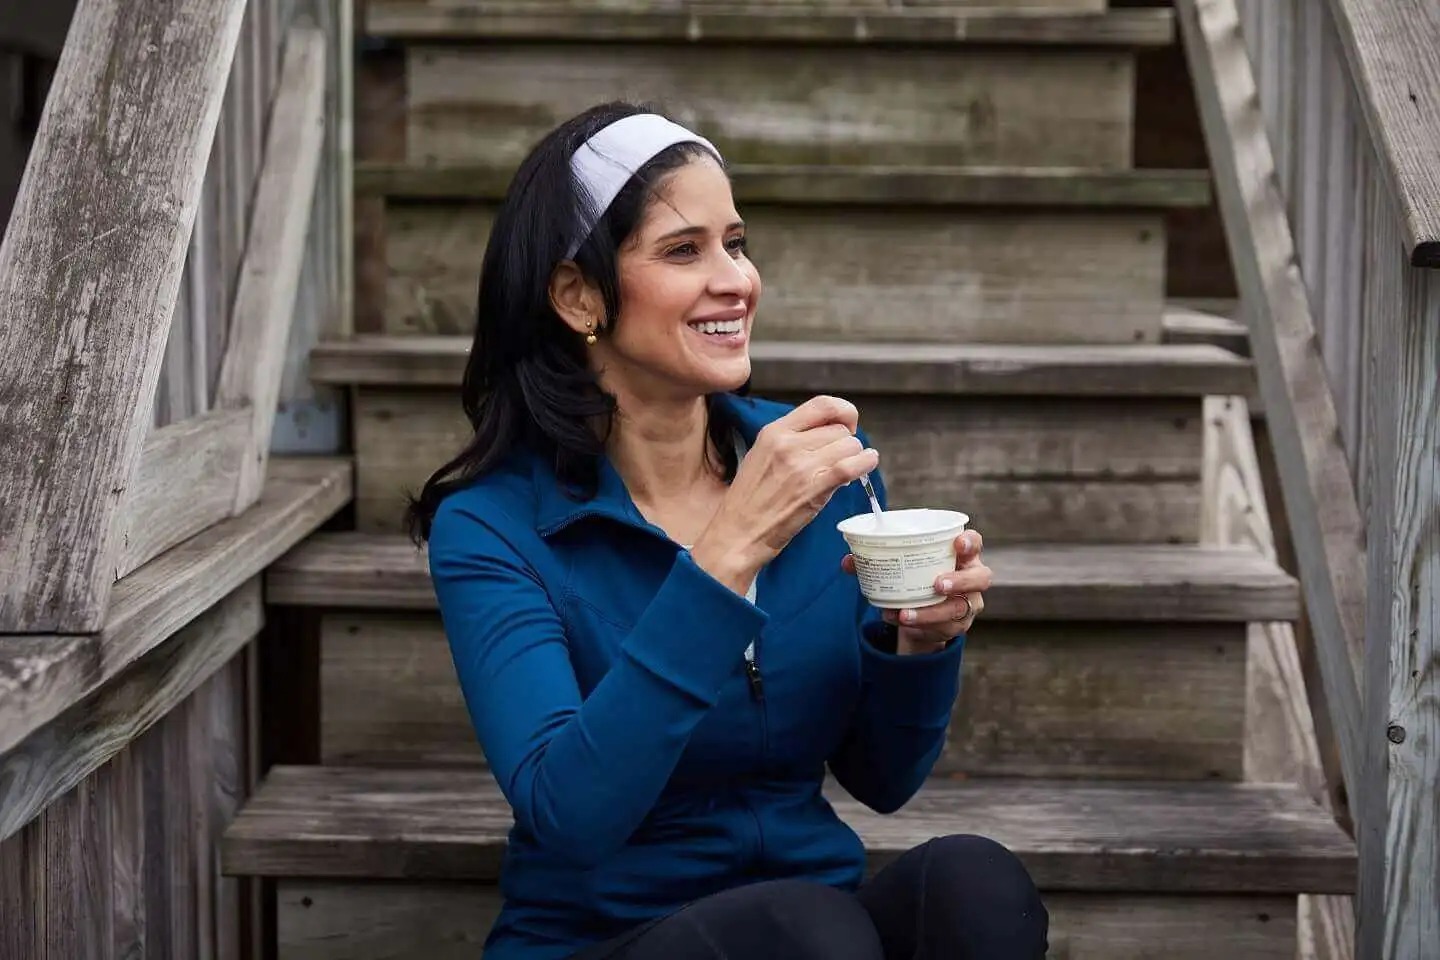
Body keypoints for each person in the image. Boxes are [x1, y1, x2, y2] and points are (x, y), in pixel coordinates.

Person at [406, 101, 1048, 960]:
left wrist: (918, 647)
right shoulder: (493, 529)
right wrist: (723, 558)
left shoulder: (813, 465)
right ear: (577, 295)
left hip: (818, 931)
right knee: (807, 934)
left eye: (736, 243)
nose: (736, 280)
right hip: (605, 939)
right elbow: (571, 815)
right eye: (684, 250)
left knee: (974, 887)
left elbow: (884, 780)